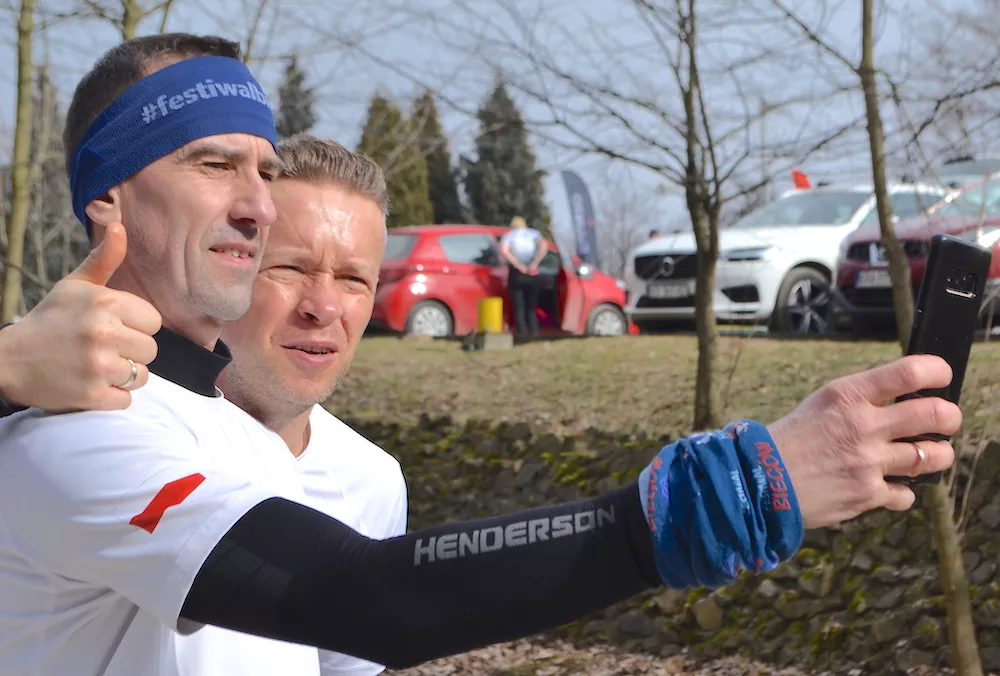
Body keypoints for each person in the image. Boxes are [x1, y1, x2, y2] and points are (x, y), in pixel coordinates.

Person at [0, 33, 961, 676]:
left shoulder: (237, 427)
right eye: (214, 164)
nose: (255, 202)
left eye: (264, 168)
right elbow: (365, 597)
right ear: (108, 196)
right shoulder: (73, 433)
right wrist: (734, 492)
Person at [499, 215, 548, 337]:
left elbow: (504, 251)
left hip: (517, 273)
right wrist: (535, 263)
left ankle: (521, 331)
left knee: (518, 305)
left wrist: (518, 265)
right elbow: (544, 247)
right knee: (532, 305)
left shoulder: (508, 235)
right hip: (532, 272)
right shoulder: (534, 233)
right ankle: (534, 330)